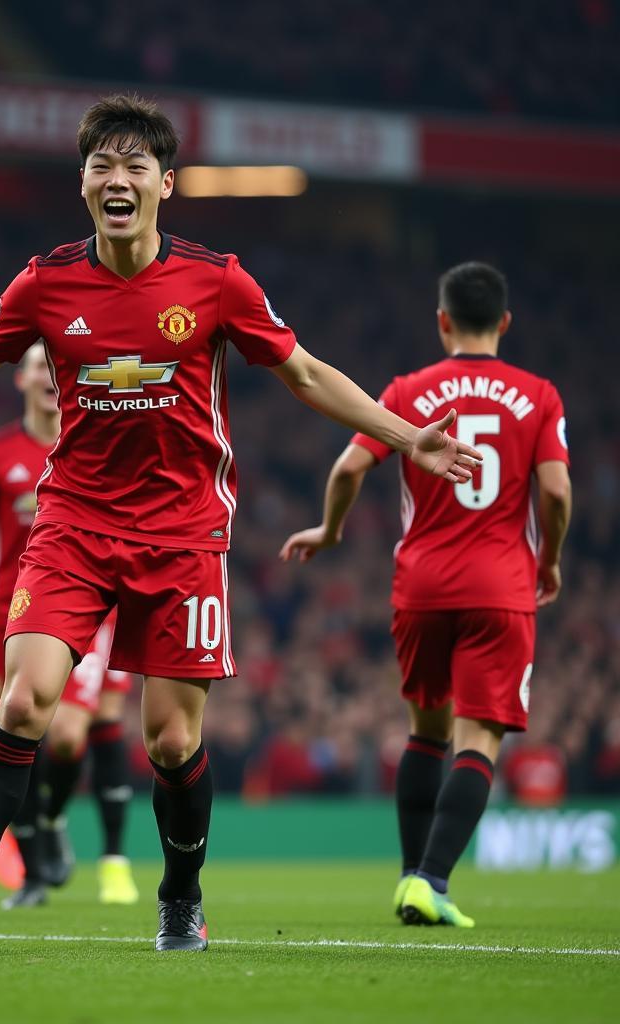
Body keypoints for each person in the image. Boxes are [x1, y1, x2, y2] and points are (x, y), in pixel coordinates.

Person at [0, 97, 481, 952]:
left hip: (183, 534)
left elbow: (308, 374)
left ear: (165, 185)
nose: (118, 179)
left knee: (172, 741)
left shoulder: (217, 280)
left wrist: (404, 439)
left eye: (136, 166)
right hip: (71, 524)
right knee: (23, 699)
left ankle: (180, 896)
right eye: (103, 166)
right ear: (84, 184)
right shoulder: (46, 281)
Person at [281, 262, 571, 927]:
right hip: (500, 584)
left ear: (442, 321)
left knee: (425, 731)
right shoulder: (539, 395)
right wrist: (548, 560)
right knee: (480, 736)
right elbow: (555, 491)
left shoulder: (411, 390)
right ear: (503, 323)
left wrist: (330, 530)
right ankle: (432, 880)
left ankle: (411, 876)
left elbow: (350, 464)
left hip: (421, 584)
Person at [0, 342, 139, 909]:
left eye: (53, 367)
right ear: (20, 380)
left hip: (86, 605)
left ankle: (57, 820)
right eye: (36, 367)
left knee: (66, 735)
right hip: (6, 612)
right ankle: (35, 866)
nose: (46, 377)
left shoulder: (91, 442)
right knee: (15, 732)